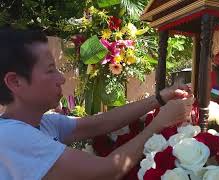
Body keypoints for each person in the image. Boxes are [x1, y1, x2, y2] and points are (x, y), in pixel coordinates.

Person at [0, 28, 194, 180]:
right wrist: (159, 124)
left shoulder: (43, 123)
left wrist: (159, 98)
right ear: (15, 82)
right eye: (50, 70)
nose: (62, 78)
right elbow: (106, 172)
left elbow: (101, 123)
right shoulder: (11, 137)